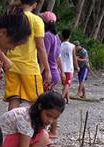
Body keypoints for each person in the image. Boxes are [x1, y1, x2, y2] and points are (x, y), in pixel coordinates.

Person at [4, 0, 52, 110]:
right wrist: (47, 70)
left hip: (11, 63)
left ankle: (11, 125)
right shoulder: (36, 20)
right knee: (37, 100)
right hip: (28, 66)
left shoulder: (12, 18)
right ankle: (39, 125)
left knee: (13, 98)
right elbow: (40, 47)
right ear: (34, 4)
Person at [40, 11, 64, 139]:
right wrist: (62, 72)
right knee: (51, 103)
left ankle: (49, 131)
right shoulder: (57, 37)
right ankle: (52, 131)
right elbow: (58, 57)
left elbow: (45, 55)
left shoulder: (47, 36)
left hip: (47, 73)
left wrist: (40, 73)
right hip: (55, 73)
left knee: (45, 104)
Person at [60, 29, 79, 104]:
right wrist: (77, 66)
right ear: (69, 36)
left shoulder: (59, 45)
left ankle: (68, 99)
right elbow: (74, 57)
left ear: (62, 36)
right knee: (67, 84)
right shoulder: (72, 46)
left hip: (61, 67)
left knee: (65, 84)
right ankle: (61, 99)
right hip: (69, 68)